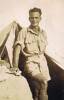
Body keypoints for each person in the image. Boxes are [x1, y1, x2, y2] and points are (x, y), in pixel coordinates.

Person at [13, 7, 51, 100]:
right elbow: (17, 49)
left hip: (43, 64)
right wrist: (15, 66)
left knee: (37, 90)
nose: (34, 20)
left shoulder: (43, 33)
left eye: (36, 17)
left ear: (40, 18)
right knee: (44, 82)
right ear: (29, 18)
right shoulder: (24, 32)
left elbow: (43, 51)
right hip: (31, 63)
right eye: (32, 18)